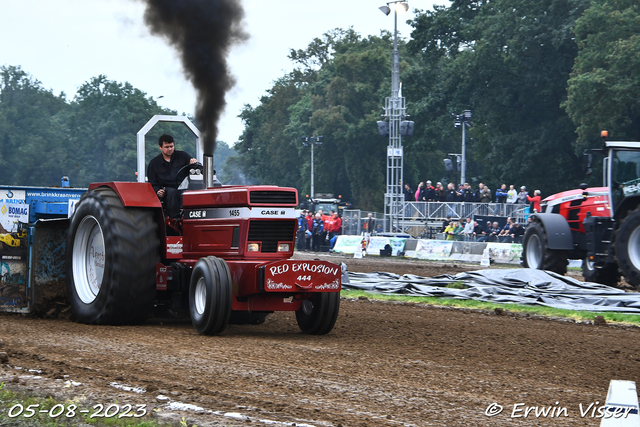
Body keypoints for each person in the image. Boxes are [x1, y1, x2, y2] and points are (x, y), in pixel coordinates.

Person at [147, 134, 198, 219]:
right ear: (160, 147)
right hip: (167, 192)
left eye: (171, 146)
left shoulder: (183, 156)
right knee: (172, 192)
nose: (170, 149)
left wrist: (193, 163)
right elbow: (152, 183)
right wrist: (158, 191)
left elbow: (195, 168)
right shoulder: (154, 164)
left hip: (184, 188)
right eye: (167, 147)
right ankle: (175, 219)